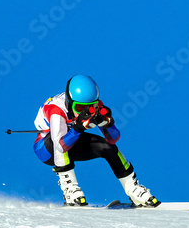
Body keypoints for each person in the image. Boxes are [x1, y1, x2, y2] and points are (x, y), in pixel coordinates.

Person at [33, 74, 160, 207]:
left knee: (106, 147)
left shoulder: (96, 106)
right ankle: (70, 189)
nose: (85, 112)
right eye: (79, 108)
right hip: (47, 149)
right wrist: (77, 128)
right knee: (58, 141)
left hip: (72, 142)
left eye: (90, 107)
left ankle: (133, 189)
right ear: (70, 102)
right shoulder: (56, 109)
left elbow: (112, 139)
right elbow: (60, 146)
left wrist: (108, 123)